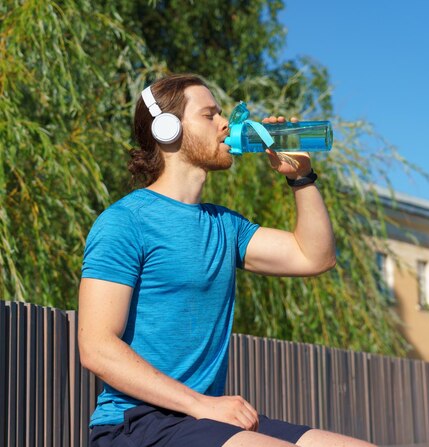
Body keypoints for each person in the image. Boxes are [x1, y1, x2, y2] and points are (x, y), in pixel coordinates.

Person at [78, 74, 376, 447]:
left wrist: (302, 178)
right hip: (136, 425)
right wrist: (200, 404)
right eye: (209, 115)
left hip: (204, 419)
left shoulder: (225, 226)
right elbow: (96, 348)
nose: (225, 124)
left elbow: (314, 256)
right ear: (168, 128)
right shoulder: (125, 222)